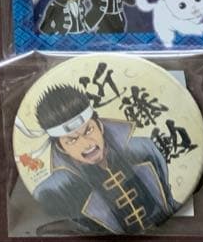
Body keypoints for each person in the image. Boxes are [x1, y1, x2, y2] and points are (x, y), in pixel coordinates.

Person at [22, 84, 179, 233]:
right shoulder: (53, 191)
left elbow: (169, 201)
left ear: (100, 126)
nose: (87, 144)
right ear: (61, 147)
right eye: (72, 140)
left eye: (88, 130)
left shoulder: (144, 149)